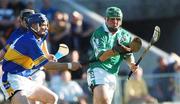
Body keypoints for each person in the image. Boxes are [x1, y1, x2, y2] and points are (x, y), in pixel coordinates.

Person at [0, 13, 81, 104]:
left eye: (46, 25)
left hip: (26, 78)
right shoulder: (29, 40)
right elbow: (46, 66)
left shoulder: (40, 35)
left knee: (52, 98)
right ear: (33, 25)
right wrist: (69, 65)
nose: (45, 27)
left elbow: (43, 48)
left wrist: (47, 56)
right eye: (42, 25)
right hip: (12, 78)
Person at [87, 6, 139, 104]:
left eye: (118, 19)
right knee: (104, 99)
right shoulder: (99, 33)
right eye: (112, 18)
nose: (115, 21)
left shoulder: (125, 35)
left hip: (113, 73)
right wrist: (116, 50)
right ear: (105, 19)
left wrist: (131, 64)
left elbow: (128, 55)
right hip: (98, 69)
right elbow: (102, 57)